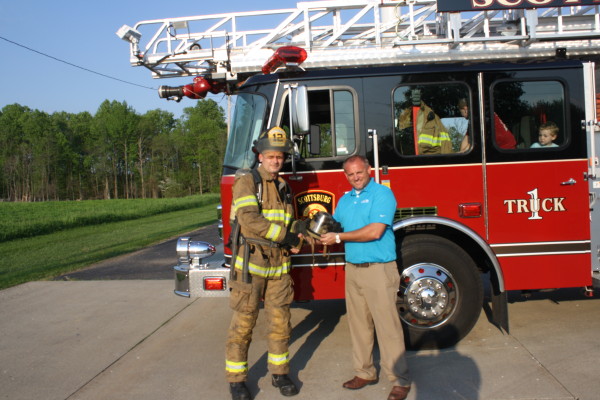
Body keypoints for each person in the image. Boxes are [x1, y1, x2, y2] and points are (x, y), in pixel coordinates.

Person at [320, 155, 411, 400]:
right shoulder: (345, 200)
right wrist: (313, 232)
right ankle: (365, 372)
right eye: (350, 174)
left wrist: (338, 239)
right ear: (345, 176)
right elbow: (334, 226)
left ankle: (400, 379)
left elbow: (375, 231)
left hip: (378, 270)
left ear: (368, 170)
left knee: (387, 327)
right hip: (354, 269)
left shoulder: (382, 194)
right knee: (358, 326)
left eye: (359, 172)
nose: (356, 177)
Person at [225, 127, 304, 400]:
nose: (276, 161)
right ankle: (237, 381)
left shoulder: (284, 187)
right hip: (252, 263)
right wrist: (286, 236)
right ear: (260, 155)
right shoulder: (247, 181)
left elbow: (288, 222)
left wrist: (300, 237)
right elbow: (249, 219)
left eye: (280, 157)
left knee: (281, 323)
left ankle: (280, 374)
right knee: (244, 323)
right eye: (271, 156)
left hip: (280, 266)